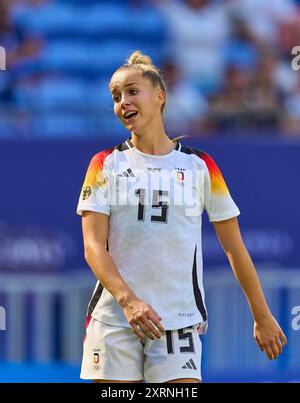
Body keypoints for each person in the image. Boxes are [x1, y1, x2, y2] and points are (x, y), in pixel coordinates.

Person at [77, 51, 287, 383]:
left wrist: (261, 315)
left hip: (179, 322)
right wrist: (129, 302)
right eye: (116, 96)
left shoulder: (201, 167)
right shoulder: (104, 164)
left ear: (159, 96)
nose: (122, 102)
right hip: (116, 320)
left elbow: (235, 248)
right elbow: (92, 246)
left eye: (132, 91)